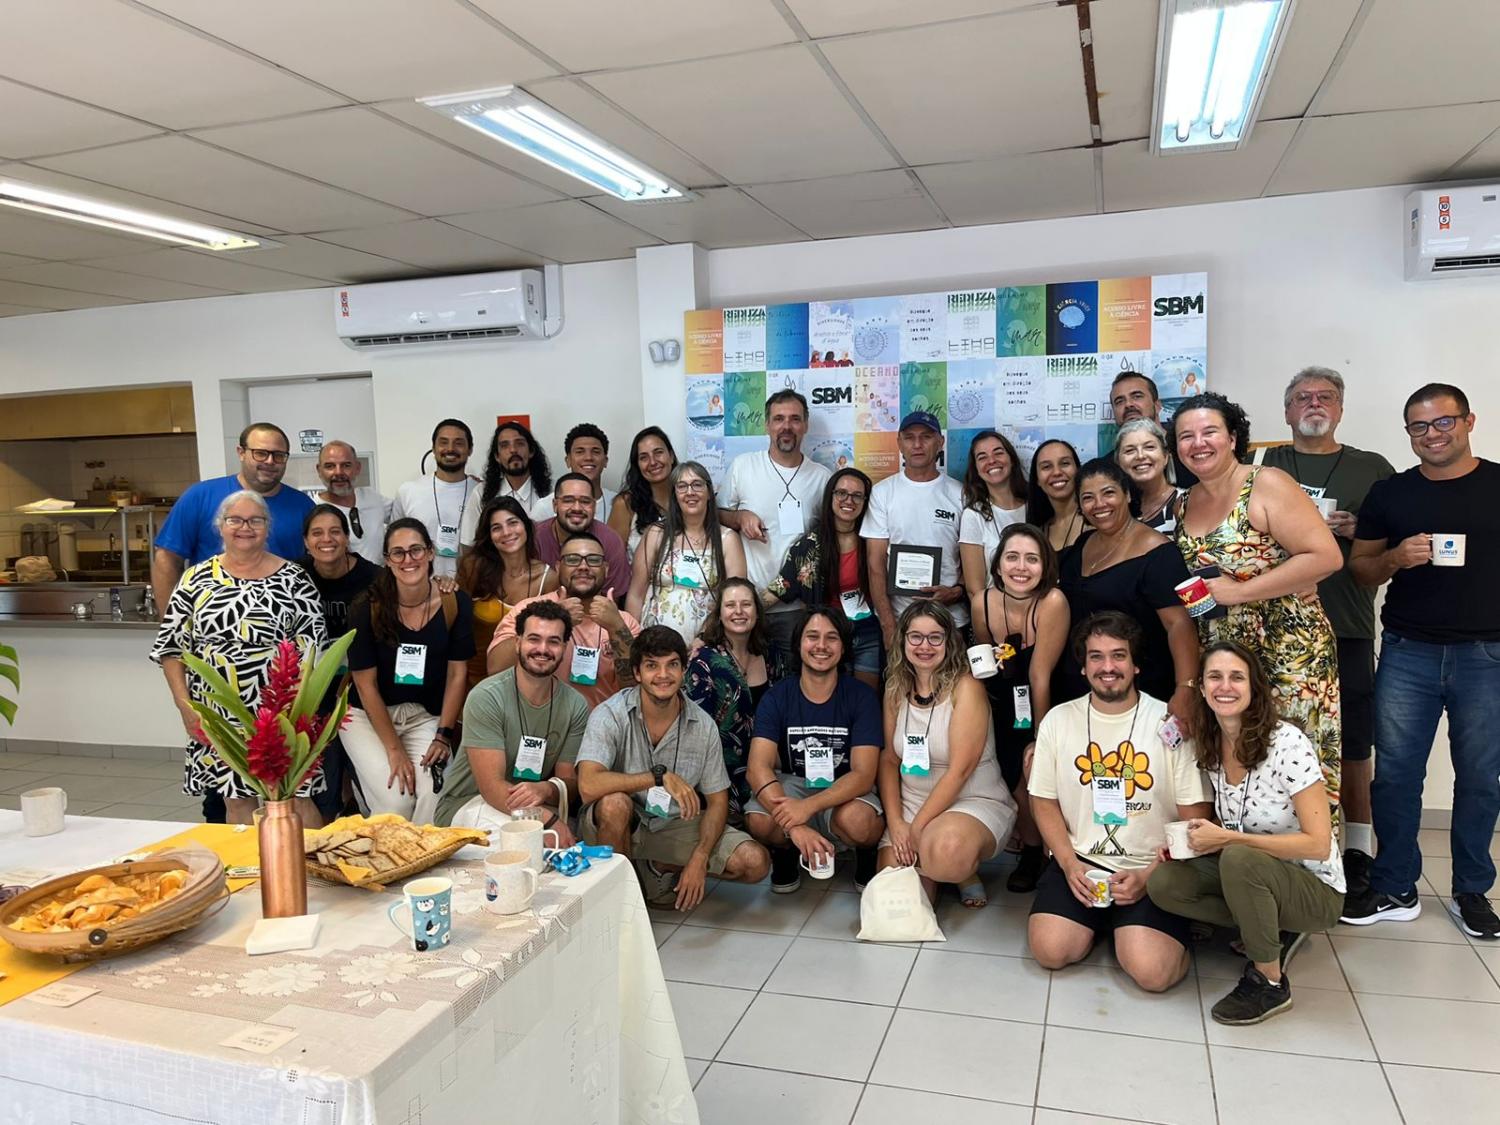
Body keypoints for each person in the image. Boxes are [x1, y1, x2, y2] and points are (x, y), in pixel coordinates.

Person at [1343, 383, 1500, 939]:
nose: (1431, 435)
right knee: (1396, 778)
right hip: (1408, 651)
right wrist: (1394, 557)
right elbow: (1361, 571)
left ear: (1468, 421)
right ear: (1407, 433)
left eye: (1442, 423)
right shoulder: (1391, 494)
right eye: (1418, 426)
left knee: (1481, 778)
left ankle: (1472, 890)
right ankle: (1394, 884)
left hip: (1486, 654)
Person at [1148, 641, 1344, 1024]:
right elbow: (1235, 823)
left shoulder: (1286, 743)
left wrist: (1227, 841)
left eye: (1236, 677)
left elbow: (1319, 845)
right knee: (1166, 881)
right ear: (1201, 688)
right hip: (1257, 870)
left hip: (1316, 888)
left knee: (1239, 858)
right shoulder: (1211, 742)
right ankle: (1269, 929)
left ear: (1254, 686)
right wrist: (1195, 842)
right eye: (1214, 677)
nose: (1225, 686)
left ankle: (1270, 982)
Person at [1172, 393, 1344, 816]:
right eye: (1186, 436)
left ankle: (1309, 877)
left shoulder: (1265, 483)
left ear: (1233, 437)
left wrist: (1242, 591)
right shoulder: (1183, 502)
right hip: (1226, 657)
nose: (1199, 443)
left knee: (1294, 769)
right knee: (1240, 771)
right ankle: (1246, 873)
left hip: (1289, 651)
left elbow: (1326, 557)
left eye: (1210, 431)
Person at [1258, 367, 1394, 898]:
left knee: (1352, 741)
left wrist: (1363, 531)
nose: (1314, 404)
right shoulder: (1265, 465)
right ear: (1287, 410)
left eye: (1325, 397)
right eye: (1302, 397)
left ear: (1340, 408)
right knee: (1276, 738)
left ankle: (1356, 849)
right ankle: (1281, 845)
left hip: (1346, 625)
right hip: (1276, 630)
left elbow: (1398, 541)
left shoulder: (1372, 469)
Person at [1028, 613, 1212, 990]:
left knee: (1152, 974)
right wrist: (1067, 864)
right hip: (1083, 863)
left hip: (1154, 866)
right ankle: (1105, 925)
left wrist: (1149, 877)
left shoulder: (1169, 722)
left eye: (1118, 656)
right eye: (1096, 657)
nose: (1107, 667)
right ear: (1082, 667)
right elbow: (1043, 800)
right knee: (1050, 951)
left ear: (1136, 664)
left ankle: (1145, 930)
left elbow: (1195, 817)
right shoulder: (1058, 721)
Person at [150, 489, 327, 825]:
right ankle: (252, 874)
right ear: (221, 526)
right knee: (236, 802)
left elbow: (313, 653)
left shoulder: (295, 580)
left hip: (282, 711)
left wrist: (299, 714)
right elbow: (171, 649)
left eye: (255, 520)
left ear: (267, 527)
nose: (245, 527)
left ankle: (316, 873)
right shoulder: (194, 579)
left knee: (295, 799)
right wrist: (186, 708)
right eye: (236, 519)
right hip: (220, 713)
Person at [576, 625, 771, 910]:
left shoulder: (702, 725)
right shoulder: (610, 714)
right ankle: (620, 906)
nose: (663, 675)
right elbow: (587, 785)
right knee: (615, 804)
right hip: (617, 825)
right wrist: (657, 777)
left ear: (683, 671)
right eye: (652, 666)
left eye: (672, 665)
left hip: (671, 824)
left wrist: (700, 858)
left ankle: (656, 868)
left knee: (755, 863)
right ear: (638, 673)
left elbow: (718, 801)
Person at [877, 601, 1017, 907]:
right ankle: (936, 871)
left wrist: (918, 829)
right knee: (897, 903)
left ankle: (956, 870)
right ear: (902, 640)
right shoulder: (895, 687)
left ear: (948, 641)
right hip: (914, 803)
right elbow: (889, 759)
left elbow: (960, 770)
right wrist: (897, 822)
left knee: (944, 854)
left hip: (971, 800)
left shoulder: (966, 687)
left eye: (935, 637)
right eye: (915, 636)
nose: (924, 646)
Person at [343, 519, 474, 825]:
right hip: (366, 717)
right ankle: (384, 856)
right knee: (397, 801)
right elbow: (365, 686)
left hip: (423, 716)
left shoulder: (456, 603)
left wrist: (443, 736)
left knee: (436, 795)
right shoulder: (366, 608)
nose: (408, 559)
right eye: (398, 553)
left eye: (415, 550)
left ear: (430, 553)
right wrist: (395, 750)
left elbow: (458, 675)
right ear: (387, 561)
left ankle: (423, 867)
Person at [746, 607, 884, 893]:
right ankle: (786, 853)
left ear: (843, 647)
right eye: (812, 637)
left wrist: (806, 808)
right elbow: (757, 768)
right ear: (798, 644)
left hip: (845, 791)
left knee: (858, 822)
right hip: (794, 785)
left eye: (831, 638)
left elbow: (863, 774)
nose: (821, 646)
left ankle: (866, 854)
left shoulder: (861, 696)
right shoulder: (777, 696)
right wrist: (794, 825)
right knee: (759, 819)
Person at [1057, 458, 1200, 722]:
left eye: (1108, 492)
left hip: (1143, 695)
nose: (1099, 504)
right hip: (1084, 696)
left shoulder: (1158, 552)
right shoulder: (1082, 544)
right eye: (1088, 497)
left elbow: (1180, 625)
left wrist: (1186, 687)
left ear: (1127, 494)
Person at [436, 599, 588, 842]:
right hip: (470, 803)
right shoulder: (486, 696)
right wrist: (545, 819)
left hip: (535, 806)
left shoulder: (576, 705)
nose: (543, 649)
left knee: (561, 841)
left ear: (565, 647)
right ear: (517, 642)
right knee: (538, 838)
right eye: (534, 639)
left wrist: (547, 788)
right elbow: (492, 788)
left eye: (554, 641)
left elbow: (568, 783)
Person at [971, 523, 1069, 893]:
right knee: (1002, 771)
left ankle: (1036, 853)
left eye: (1032, 559)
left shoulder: (1053, 602)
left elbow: (1039, 675)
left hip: (1048, 701)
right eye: (1012, 557)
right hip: (1002, 699)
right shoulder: (981, 601)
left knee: (1033, 771)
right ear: (998, 565)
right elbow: (985, 662)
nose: (1021, 567)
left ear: (1045, 567)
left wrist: (1039, 739)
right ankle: (1022, 842)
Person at [151, 421, 315, 615]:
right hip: (213, 626)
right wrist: (172, 624)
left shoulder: (303, 506)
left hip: (280, 627)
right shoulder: (200, 496)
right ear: (241, 452)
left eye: (279, 455)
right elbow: (166, 560)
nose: (270, 461)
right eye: (260, 453)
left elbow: (316, 567)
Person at [716, 390, 831, 663]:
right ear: (767, 425)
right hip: (748, 604)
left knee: (791, 686)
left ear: (805, 425)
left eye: (794, 419)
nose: (786, 426)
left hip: (797, 609)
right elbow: (717, 514)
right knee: (747, 684)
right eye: (779, 419)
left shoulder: (822, 478)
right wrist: (740, 516)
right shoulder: (744, 466)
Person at [489, 531, 641, 709]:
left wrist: (616, 628)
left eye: (593, 560)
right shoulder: (528, 610)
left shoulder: (624, 622)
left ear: (606, 569)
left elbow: (634, 690)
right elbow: (495, 668)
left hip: (599, 729)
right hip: (535, 723)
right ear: (559, 567)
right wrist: (552, 620)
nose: (583, 566)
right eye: (572, 559)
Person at [298, 503, 382, 821]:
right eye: (317, 533)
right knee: (323, 784)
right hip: (312, 698)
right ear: (306, 541)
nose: (327, 539)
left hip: (362, 694)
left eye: (335, 531)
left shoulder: (374, 578)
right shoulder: (294, 576)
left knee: (369, 782)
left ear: (347, 538)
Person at [765, 468, 882, 689]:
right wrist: (738, 611)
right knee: (832, 700)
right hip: (827, 636)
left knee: (866, 700)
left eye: (857, 495)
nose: (849, 500)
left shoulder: (875, 540)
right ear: (830, 497)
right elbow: (780, 588)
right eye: (842, 493)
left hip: (868, 632)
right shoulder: (809, 546)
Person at [685, 578, 788, 822]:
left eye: (746, 605)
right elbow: (698, 730)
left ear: (757, 612)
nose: (739, 612)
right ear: (719, 614)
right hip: (720, 773)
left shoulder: (771, 655)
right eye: (730, 605)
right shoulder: (704, 661)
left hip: (768, 767)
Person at [864, 412, 969, 649]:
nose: (918, 445)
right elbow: (875, 565)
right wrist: (888, 625)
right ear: (899, 444)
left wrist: (956, 592)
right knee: (904, 687)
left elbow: (971, 559)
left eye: (926, 437)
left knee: (955, 685)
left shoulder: (961, 494)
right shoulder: (882, 494)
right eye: (910, 438)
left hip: (951, 620)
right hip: (901, 621)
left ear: (940, 442)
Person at [628, 461, 746, 643]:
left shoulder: (727, 539)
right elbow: (636, 594)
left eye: (697, 485)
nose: (690, 492)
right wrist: (633, 641)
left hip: (707, 644)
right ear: (675, 495)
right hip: (655, 645)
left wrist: (704, 639)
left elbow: (735, 600)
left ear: (709, 492)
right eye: (682, 486)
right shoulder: (656, 534)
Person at [456, 497, 557, 689]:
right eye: (496, 528)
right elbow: (456, 623)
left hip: (523, 684)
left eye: (513, 523)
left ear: (526, 526)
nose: (506, 533)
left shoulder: (549, 579)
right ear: (489, 536)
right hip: (474, 678)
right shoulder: (473, 567)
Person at [390, 418, 480, 580]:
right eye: (443, 442)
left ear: (470, 449)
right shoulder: (408, 491)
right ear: (433, 448)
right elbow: (394, 543)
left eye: (458, 443)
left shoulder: (482, 493)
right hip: (421, 588)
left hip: (473, 587)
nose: (450, 449)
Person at [534, 472, 631, 597]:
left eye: (585, 501)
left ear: (594, 506)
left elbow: (612, 601)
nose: (577, 508)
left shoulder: (611, 542)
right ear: (555, 505)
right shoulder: (535, 538)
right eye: (568, 500)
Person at [959, 429, 1029, 600]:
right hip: (997, 617)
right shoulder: (973, 515)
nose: (991, 461)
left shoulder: (1036, 506)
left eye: (998, 453)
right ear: (976, 468)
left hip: (1042, 613)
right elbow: (975, 591)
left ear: (1012, 459)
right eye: (982, 457)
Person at [306, 439, 390, 564]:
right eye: (330, 466)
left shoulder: (374, 498)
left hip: (380, 581)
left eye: (346, 465)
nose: (338, 472)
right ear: (319, 470)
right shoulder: (311, 509)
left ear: (357, 468)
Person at [1111, 371, 1196, 487]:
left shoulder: (1188, 452)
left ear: (1157, 405)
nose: (1128, 404)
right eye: (1119, 401)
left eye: (1137, 396)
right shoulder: (1108, 467)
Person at [609, 426, 678, 559]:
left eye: (658, 452)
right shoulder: (625, 504)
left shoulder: (689, 498)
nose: (653, 462)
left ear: (671, 456)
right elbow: (612, 561)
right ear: (637, 465)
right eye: (644, 457)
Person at [1115, 418, 1182, 532]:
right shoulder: (1113, 507)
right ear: (1118, 461)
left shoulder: (1187, 503)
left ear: (1165, 456)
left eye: (1149, 447)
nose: (1140, 456)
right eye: (1130, 450)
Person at [480, 419, 552, 520]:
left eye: (520, 443)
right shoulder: (480, 493)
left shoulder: (552, 491)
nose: (513, 450)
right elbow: (471, 535)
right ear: (497, 456)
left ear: (531, 451)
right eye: (505, 445)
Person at [543, 422, 615, 522]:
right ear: (568, 460)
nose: (588, 457)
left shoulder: (616, 503)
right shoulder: (545, 507)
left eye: (596, 451)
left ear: (605, 461)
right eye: (580, 452)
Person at [1025, 439, 1083, 555]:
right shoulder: (1037, 532)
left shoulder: (1095, 521)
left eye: (1065, 463)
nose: (1057, 472)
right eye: (1046, 467)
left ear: (1078, 470)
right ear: (1037, 479)